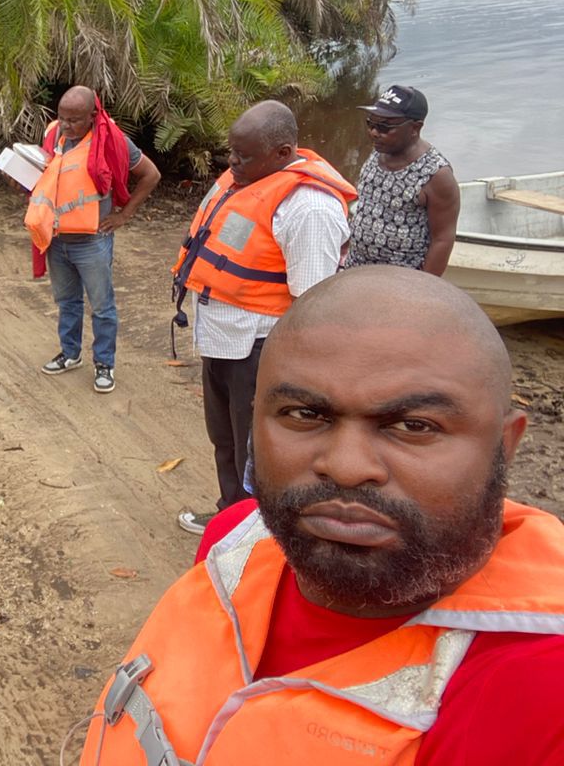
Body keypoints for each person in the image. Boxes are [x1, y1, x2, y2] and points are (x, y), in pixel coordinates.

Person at [77, 266, 564, 765]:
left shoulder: (541, 694)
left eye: (414, 425)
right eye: (305, 414)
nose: (348, 468)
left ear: (505, 445)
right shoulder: (234, 540)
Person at [171, 101, 354, 534]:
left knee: (260, 451)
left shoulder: (308, 209)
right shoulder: (247, 179)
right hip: (221, 340)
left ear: (282, 152)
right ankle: (231, 518)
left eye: (244, 155)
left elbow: (313, 302)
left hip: (259, 350)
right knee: (227, 441)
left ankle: (261, 535)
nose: (233, 162)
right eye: (231, 152)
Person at [25, 86, 160, 394]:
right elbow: (46, 180)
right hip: (57, 238)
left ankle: (104, 364)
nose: (66, 126)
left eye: (74, 120)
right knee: (67, 302)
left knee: (101, 306)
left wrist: (124, 215)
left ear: (92, 116)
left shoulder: (111, 140)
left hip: (91, 242)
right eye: (61, 118)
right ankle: (70, 354)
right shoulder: (53, 137)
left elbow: (151, 175)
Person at [345, 84, 460, 275]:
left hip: (401, 282)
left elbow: (443, 239)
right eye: (370, 124)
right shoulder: (378, 151)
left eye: (384, 127)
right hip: (356, 270)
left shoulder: (436, 175)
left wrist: (422, 289)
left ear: (415, 128)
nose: (374, 132)